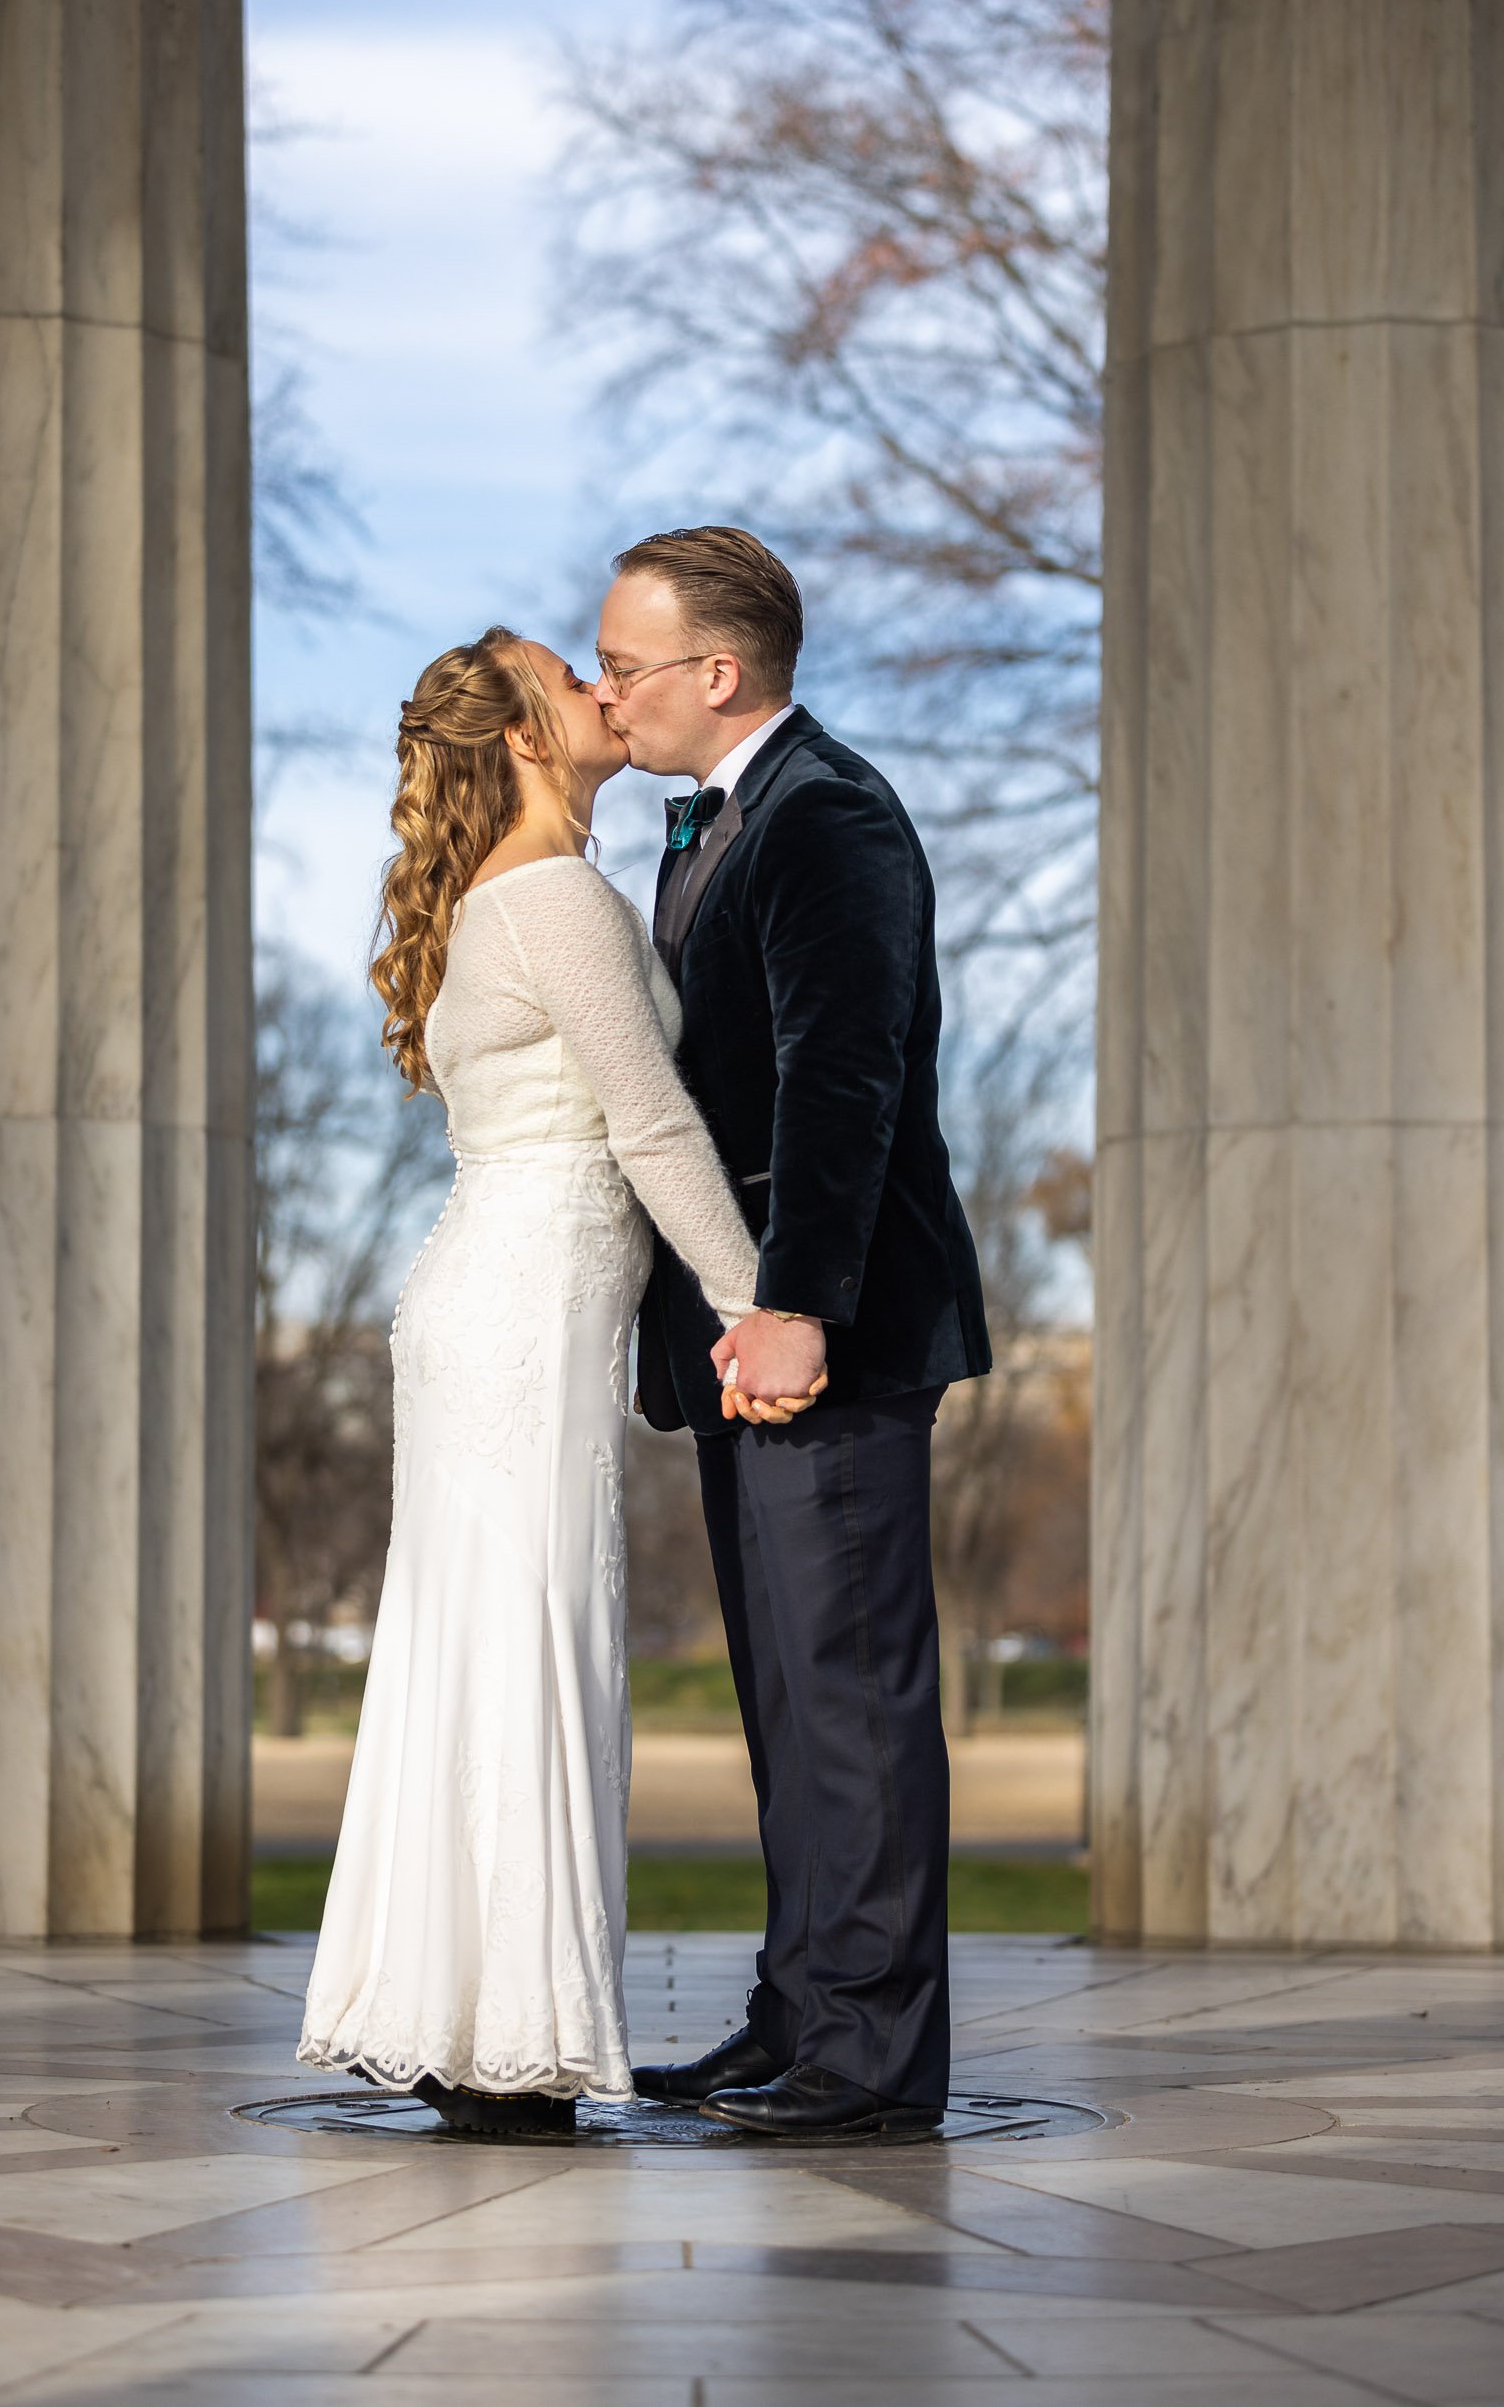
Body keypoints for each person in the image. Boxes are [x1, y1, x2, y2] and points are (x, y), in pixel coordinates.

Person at [296, 627, 816, 2136]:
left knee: (487, 1648)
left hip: (492, 1309)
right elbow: (651, 1128)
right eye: (566, 677)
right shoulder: (555, 899)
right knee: (530, 1645)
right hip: (517, 1320)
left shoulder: (498, 899)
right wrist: (755, 1306)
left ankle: (476, 2035)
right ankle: (506, 2049)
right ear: (525, 738)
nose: (603, 690)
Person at [608, 527, 991, 2142]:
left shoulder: (828, 815)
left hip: (817, 1333)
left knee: (849, 1697)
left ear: (721, 672)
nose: (608, 689)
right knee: (786, 1690)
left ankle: (874, 2058)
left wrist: (796, 1310)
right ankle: (799, 2011)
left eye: (628, 664)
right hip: (741, 1334)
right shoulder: (712, 826)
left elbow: (847, 1081)